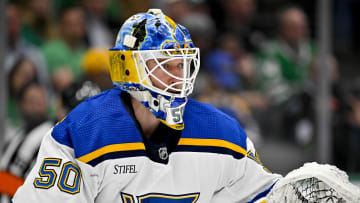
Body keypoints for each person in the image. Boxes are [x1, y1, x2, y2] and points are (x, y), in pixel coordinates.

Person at [13, 9, 280, 202]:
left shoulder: (223, 133)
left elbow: (263, 196)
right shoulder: (84, 132)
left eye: (182, 65)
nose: (179, 77)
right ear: (130, 69)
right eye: (165, 65)